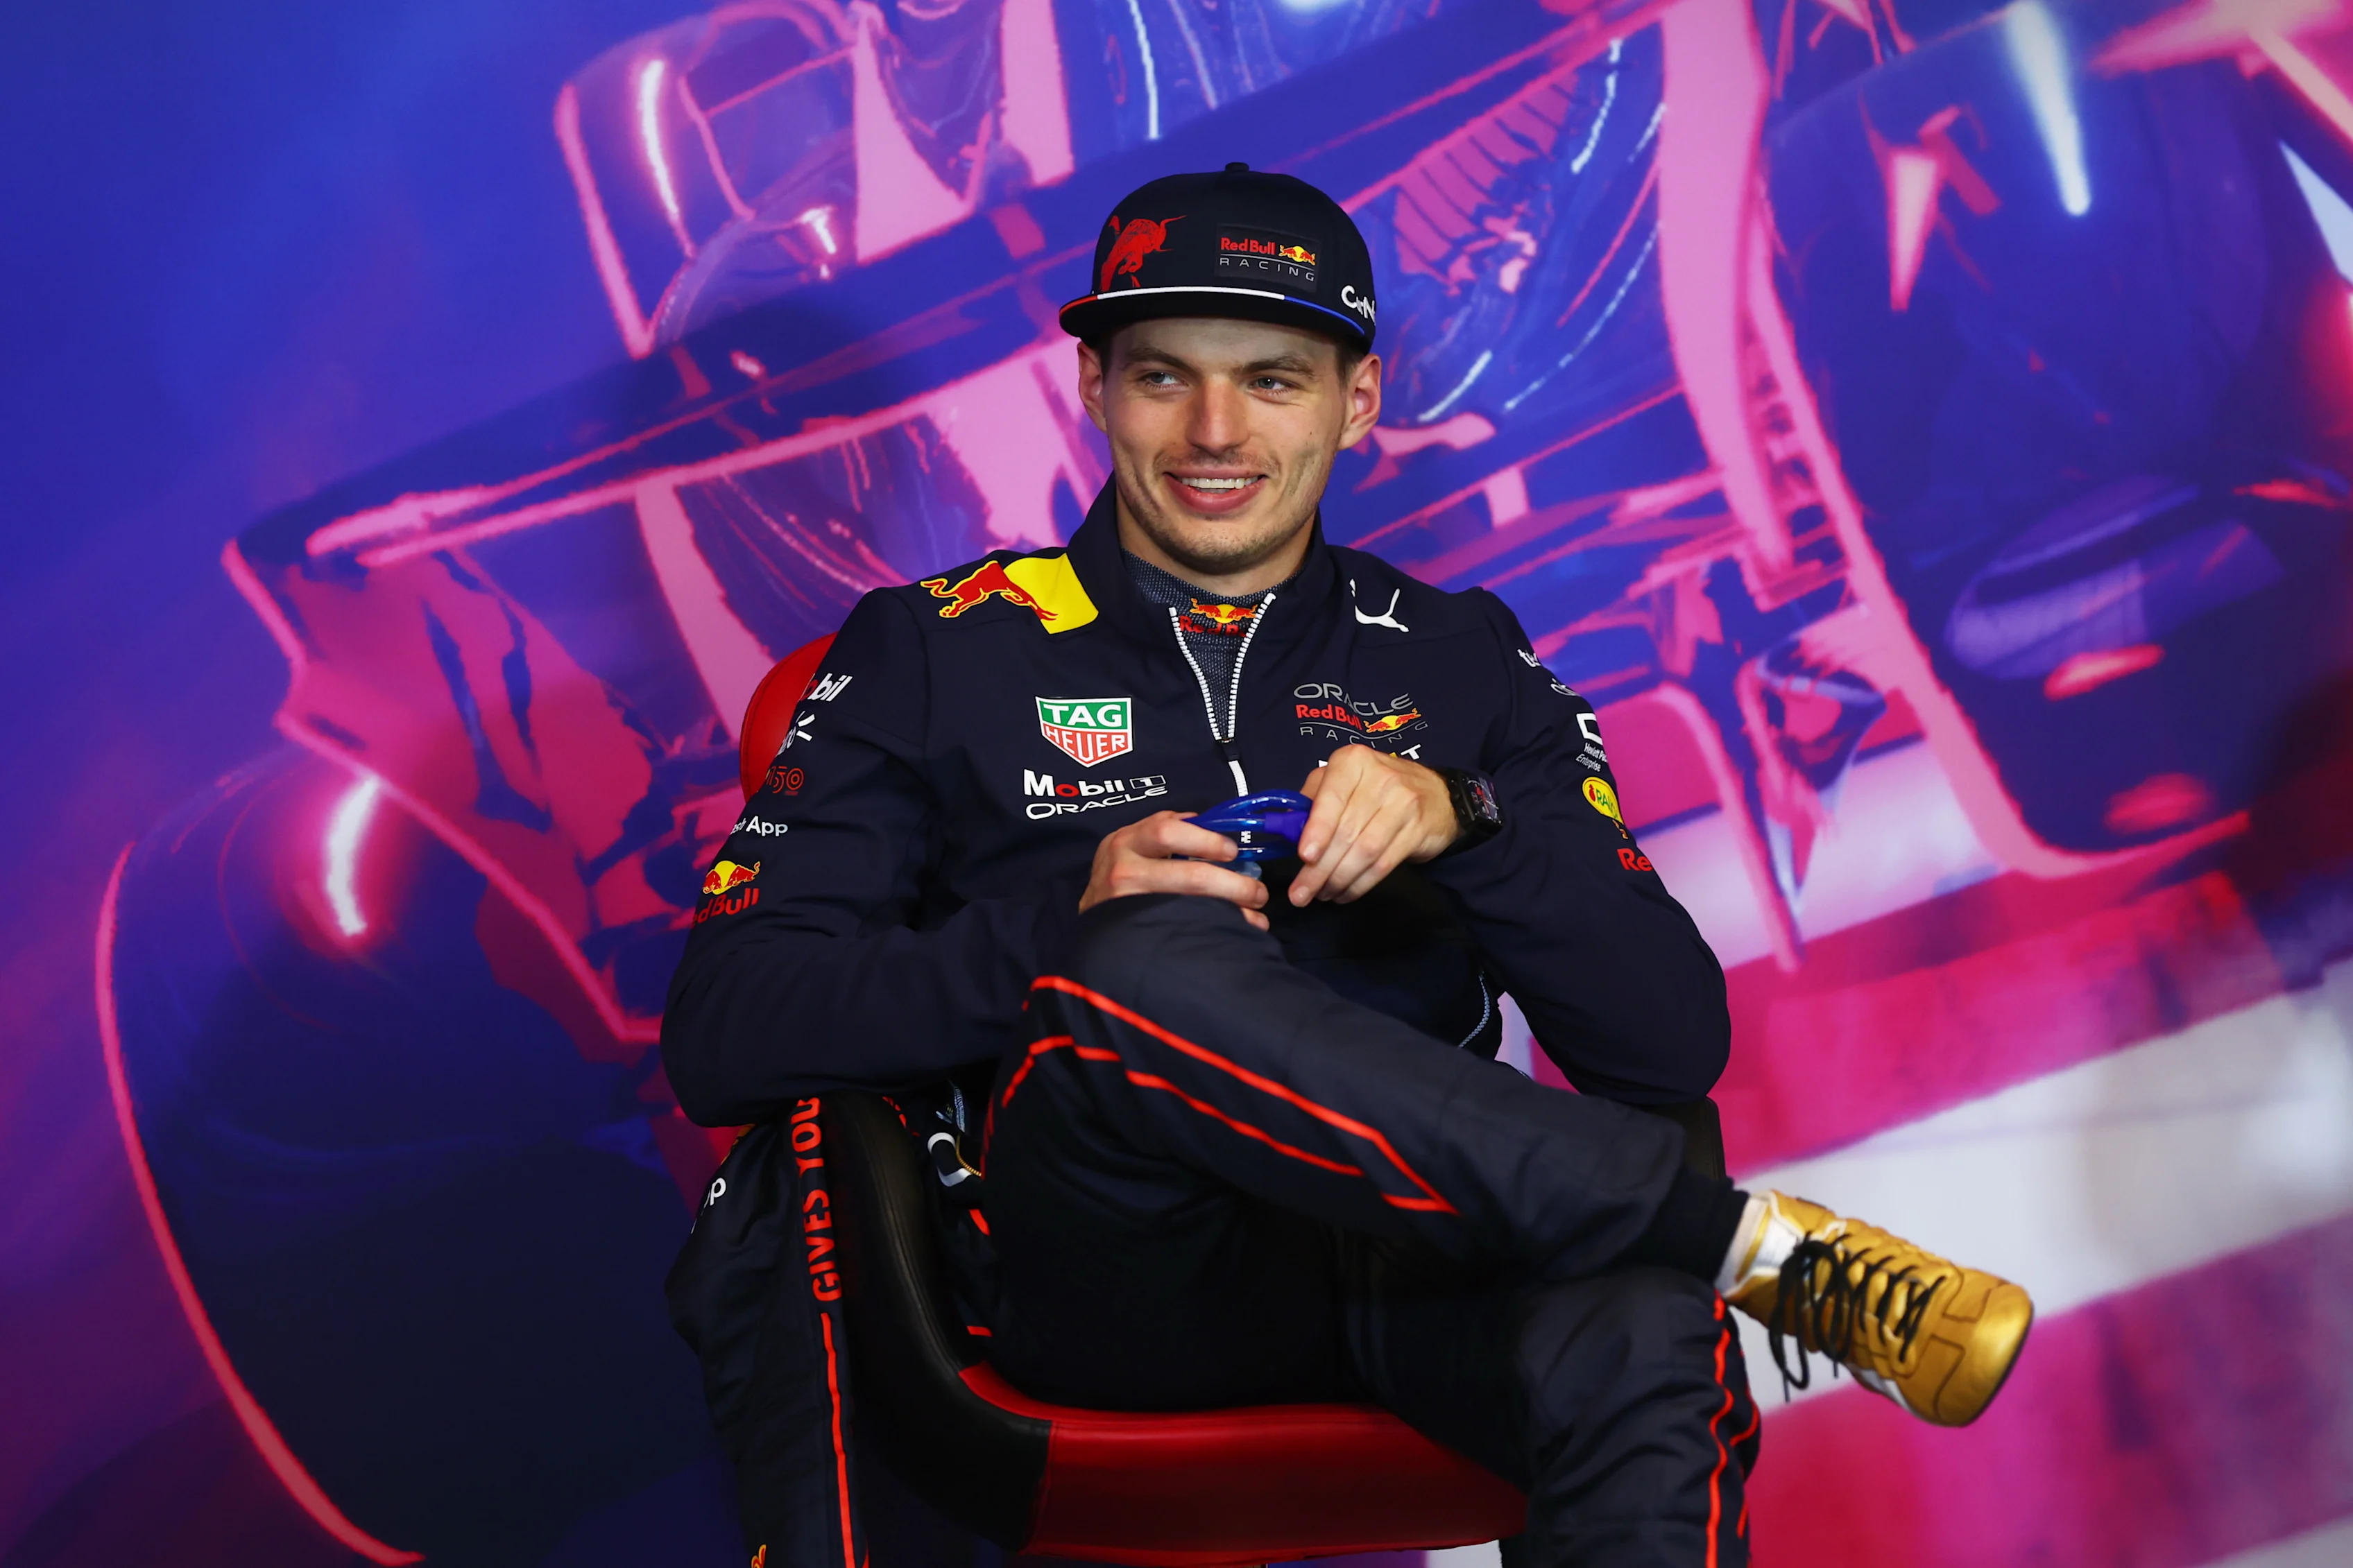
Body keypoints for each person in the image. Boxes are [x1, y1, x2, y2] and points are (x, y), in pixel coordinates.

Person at [662, 163, 2033, 1566]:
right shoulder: (931, 644)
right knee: (1140, 947)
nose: (1213, 431)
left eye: (1271, 378)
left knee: (1638, 1324)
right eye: (1161, 378)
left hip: (1428, 1261)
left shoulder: (1458, 652)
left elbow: (1664, 1038)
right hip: (1117, 1271)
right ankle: (1755, 1250)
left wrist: (1469, 818)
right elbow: (723, 1028)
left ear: (1356, 400)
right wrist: (1055, 925)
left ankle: (1701, 1249)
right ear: (1093, 386)